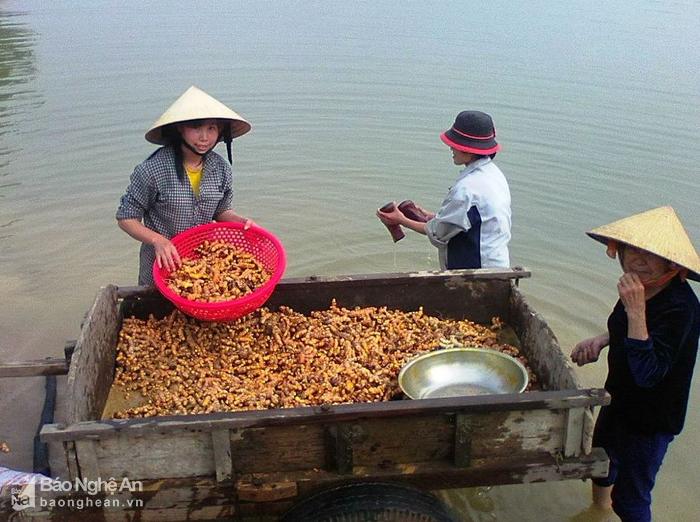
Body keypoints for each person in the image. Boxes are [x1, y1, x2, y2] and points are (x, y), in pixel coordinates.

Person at [570, 206, 700, 522]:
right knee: (602, 466)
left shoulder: (682, 308)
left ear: (672, 264)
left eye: (650, 254)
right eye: (632, 249)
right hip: (619, 401)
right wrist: (602, 339)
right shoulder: (640, 285)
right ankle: (597, 511)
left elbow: (649, 374)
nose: (637, 259)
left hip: (651, 421)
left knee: (631, 500)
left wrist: (637, 309)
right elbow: (625, 326)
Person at [116, 86, 252, 286]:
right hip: (161, 266)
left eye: (211, 128)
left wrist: (241, 221)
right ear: (180, 128)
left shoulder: (221, 168)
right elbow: (126, 218)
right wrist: (158, 241)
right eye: (196, 128)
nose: (204, 137)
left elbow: (221, 211)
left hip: (203, 266)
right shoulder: (152, 170)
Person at [376, 110, 511, 270]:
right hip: (497, 265)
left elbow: (438, 232)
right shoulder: (494, 175)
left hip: (476, 272)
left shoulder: (466, 189)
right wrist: (429, 215)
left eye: (454, 145)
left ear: (468, 150)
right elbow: (468, 220)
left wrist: (401, 220)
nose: (451, 149)